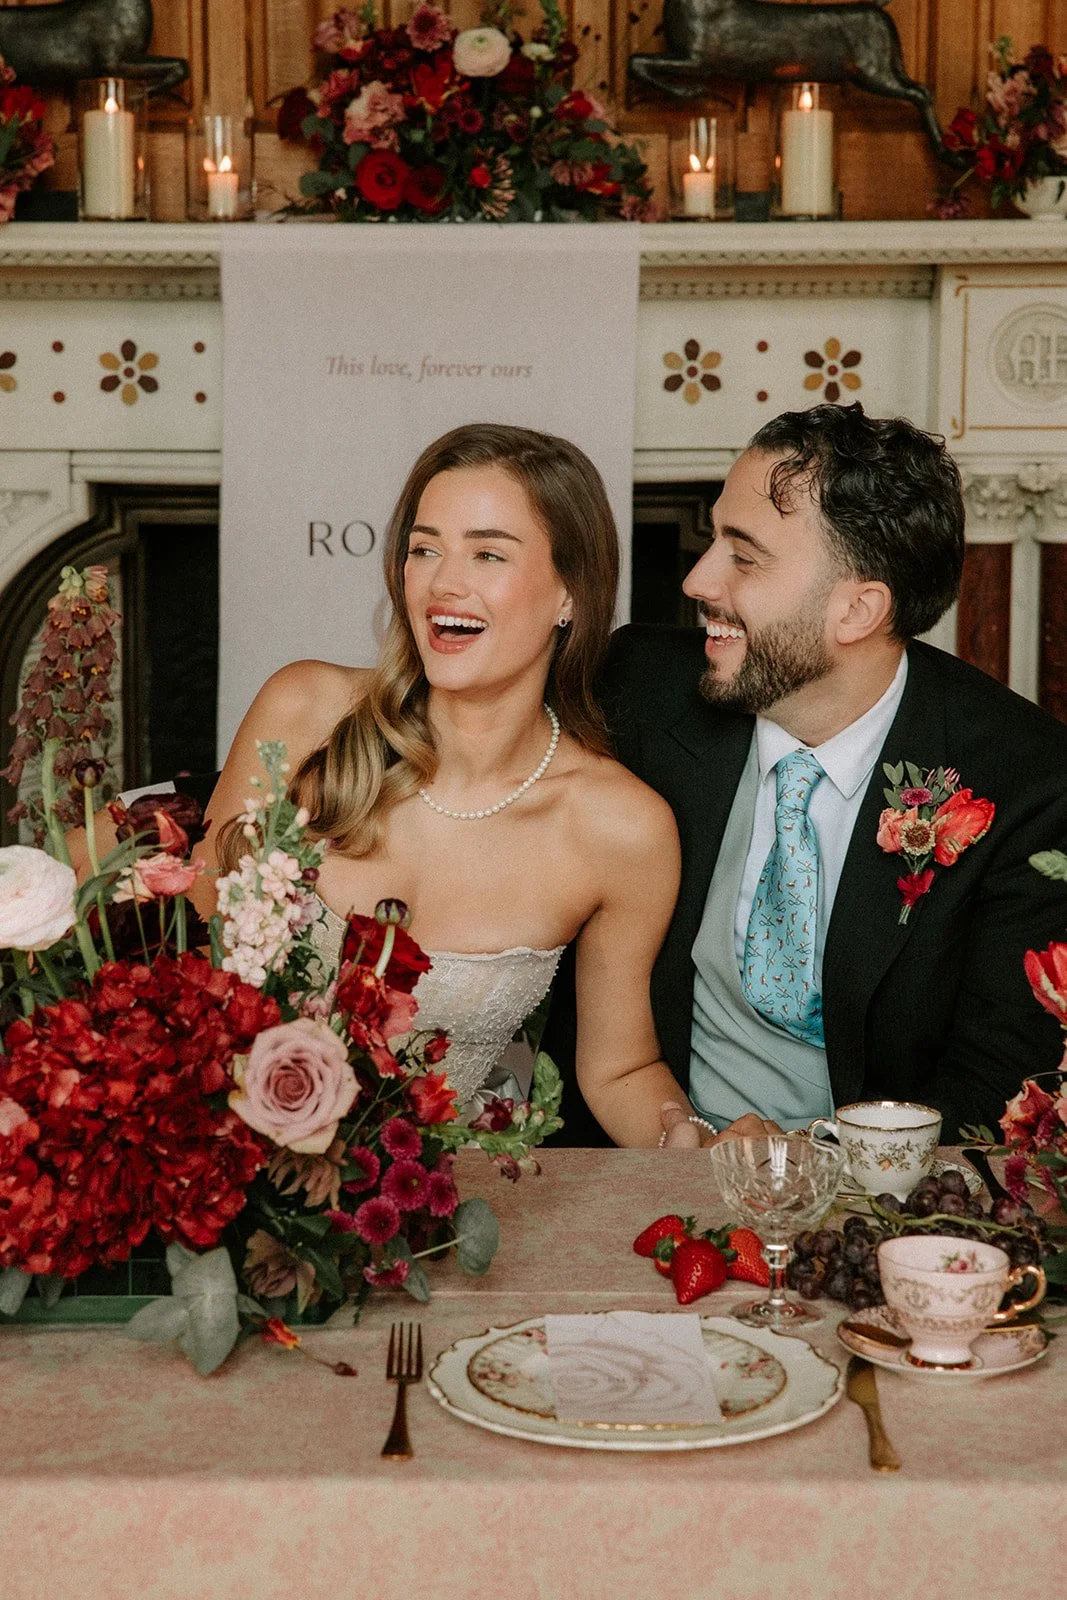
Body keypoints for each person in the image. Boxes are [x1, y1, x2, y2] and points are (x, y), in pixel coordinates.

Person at [545, 403, 1067, 1148]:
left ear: (856, 609)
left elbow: (995, 1084)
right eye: (709, 539)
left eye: (743, 554)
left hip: (875, 1210)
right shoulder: (640, 687)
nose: (697, 579)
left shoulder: (1024, 784)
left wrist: (805, 1167)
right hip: (643, 1167)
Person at [179, 422, 693, 1139]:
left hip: (433, 1205)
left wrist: (687, 1137)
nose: (442, 583)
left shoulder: (620, 828)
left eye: (487, 553)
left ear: (570, 594)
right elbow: (185, 962)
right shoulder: (304, 712)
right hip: (231, 1171)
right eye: (424, 549)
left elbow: (620, 1070)